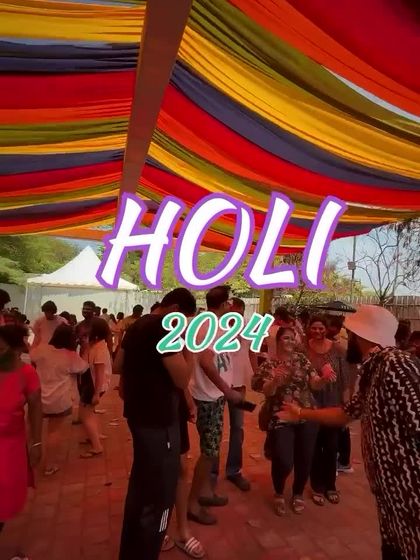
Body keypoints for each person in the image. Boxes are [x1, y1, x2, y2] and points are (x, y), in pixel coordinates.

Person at [280, 305, 420, 560]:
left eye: (350, 334)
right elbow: (346, 413)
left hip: (410, 492)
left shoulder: (396, 364)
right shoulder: (374, 369)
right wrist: (300, 412)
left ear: (361, 336)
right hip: (390, 493)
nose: (347, 339)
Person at [116, 288, 197, 560]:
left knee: (140, 488)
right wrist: (189, 348)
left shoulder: (137, 325)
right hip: (160, 421)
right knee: (160, 496)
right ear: (174, 310)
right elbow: (182, 379)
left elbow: (118, 365)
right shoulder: (165, 329)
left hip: (138, 416)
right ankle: (148, 550)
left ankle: (130, 551)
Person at [252, 327, 331, 515]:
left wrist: (324, 379)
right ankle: (279, 492)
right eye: (286, 338)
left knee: (305, 458)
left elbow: (314, 383)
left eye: (293, 338)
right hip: (281, 416)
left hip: (305, 414)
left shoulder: (302, 360)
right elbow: (264, 389)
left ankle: (297, 494)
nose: (290, 341)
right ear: (278, 340)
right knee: (283, 459)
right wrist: (274, 381)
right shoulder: (269, 364)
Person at [188, 286, 243, 526]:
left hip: (209, 395)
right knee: (209, 452)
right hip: (209, 397)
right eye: (229, 302)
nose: (231, 306)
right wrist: (227, 390)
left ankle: (205, 492)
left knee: (211, 448)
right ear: (223, 304)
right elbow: (206, 361)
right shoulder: (213, 327)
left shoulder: (206, 324)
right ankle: (192, 504)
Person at [0, 325, 43, 544]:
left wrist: (36, 443)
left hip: (9, 448)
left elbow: (36, 408)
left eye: (1, 349)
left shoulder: (26, 373)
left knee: (4, 498)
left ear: (17, 349)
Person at [212, 297, 257, 492]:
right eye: (231, 313)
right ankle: (211, 473)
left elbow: (252, 352)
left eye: (238, 314)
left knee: (237, 428)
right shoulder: (216, 329)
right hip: (217, 385)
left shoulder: (248, 328)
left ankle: (234, 471)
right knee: (215, 429)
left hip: (238, 386)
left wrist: (257, 376)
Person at [30, 324, 88, 475]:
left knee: (34, 430)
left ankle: (29, 460)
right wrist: (85, 347)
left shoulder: (42, 350)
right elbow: (84, 367)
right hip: (59, 400)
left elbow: (31, 356)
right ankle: (49, 465)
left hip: (38, 398)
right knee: (53, 432)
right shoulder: (70, 356)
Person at [305, 316, 349, 506]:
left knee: (331, 447)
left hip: (333, 403)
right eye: (314, 328)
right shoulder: (303, 349)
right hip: (312, 403)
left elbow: (345, 380)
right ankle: (317, 486)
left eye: (321, 328)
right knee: (315, 447)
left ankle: (330, 485)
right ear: (309, 329)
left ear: (326, 329)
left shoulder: (337, 349)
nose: (317, 331)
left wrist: (346, 404)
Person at [78, 318, 113, 458]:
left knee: (84, 415)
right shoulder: (94, 345)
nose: (84, 329)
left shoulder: (100, 349)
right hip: (91, 383)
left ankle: (96, 446)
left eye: (88, 327)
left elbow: (99, 373)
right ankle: (95, 435)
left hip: (94, 385)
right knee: (89, 412)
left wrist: (97, 394)